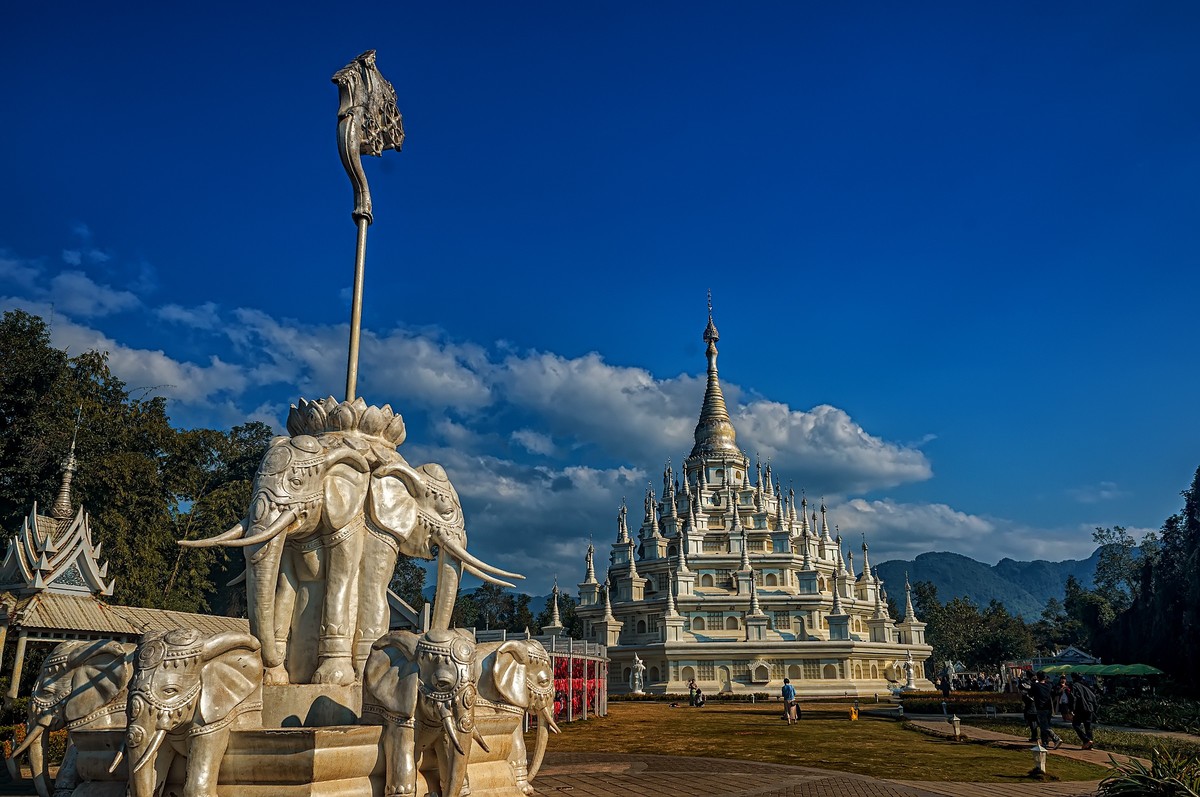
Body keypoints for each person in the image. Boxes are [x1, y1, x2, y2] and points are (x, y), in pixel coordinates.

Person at [1031, 672, 1062, 749]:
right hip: (1049, 707)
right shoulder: (1049, 685)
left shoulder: (1035, 686)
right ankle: (1045, 742)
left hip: (1041, 708)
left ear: (1038, 677)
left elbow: (1031, 693)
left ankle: (1056, 738)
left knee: (1044, 725)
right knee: (1045, 725)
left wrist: (1033, 681)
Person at [1069, 673, 1097, 750]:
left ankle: (1086, 740)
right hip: (1090, 708)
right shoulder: (1087, 686)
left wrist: (1072, 709)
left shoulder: (1074, 685)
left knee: (1076, 725)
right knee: (1088, 727)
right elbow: (1094, 697)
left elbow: (1073, 698)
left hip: (1080, 708)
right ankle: (1089, 744)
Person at [1017, 672, 1039, 742]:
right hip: (1030, 702)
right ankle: (1035, 735)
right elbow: (1020, 686)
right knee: (1031, 719)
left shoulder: (1035, 682)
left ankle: (1036, 736)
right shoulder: (1026, 681)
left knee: (1032, 719)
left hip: (1032, 703)